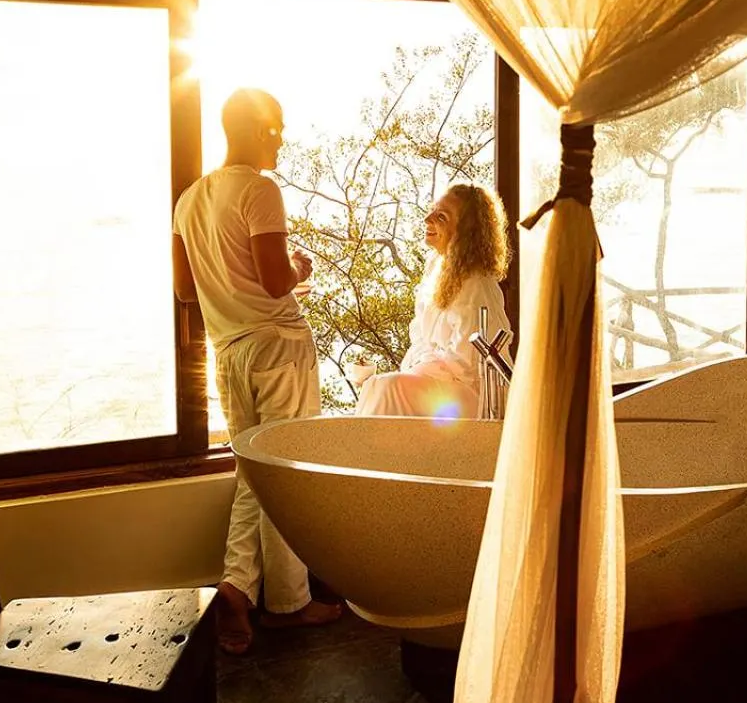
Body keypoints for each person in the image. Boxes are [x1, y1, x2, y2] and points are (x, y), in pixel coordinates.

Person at [172, 88, 342, 654]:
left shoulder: (189, 200)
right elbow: (275, 280)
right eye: (279, 128)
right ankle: (289, 604)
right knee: (285, 473)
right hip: (278, 346)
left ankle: (235, 588)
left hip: (228, 352)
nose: (282, 139)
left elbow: (182, 290)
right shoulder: (259, 189)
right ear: (261, 128)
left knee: (253, 473)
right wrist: (298, 266)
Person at [355, 184, 512, 419]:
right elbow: (420, 338)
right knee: (377, 386)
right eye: (431, 211)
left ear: (466, 230)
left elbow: (466, 364)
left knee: (388, 388)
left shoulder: (476, 283)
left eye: (441, 216)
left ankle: (366, 456)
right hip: (438, 381)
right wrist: (410, 372)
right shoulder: (436, 267)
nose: (427, 219)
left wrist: (412, 377)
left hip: (474, 397)